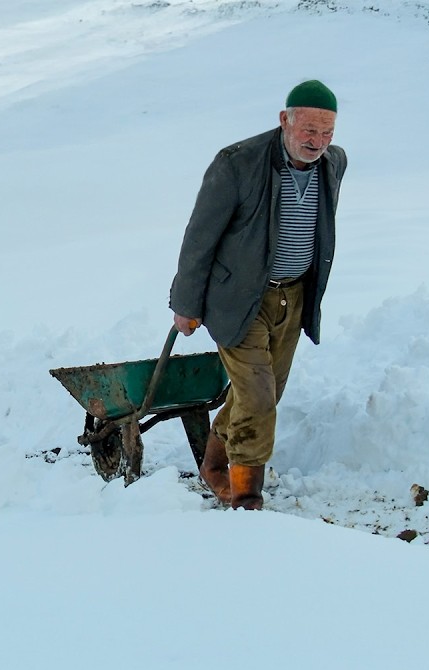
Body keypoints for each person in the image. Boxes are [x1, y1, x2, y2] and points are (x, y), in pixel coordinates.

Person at [169, 80, 347, 510]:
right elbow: (200, 236)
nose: (316, 142)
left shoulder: (334, 163)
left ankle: (214, 464)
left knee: (267, 391)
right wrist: (187, 305)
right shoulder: (237, 163)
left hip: (294, 297)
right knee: (258, 395)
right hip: (238, 299)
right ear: (284, 119)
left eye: (326, 133)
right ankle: (246, 494)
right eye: (308, 130)